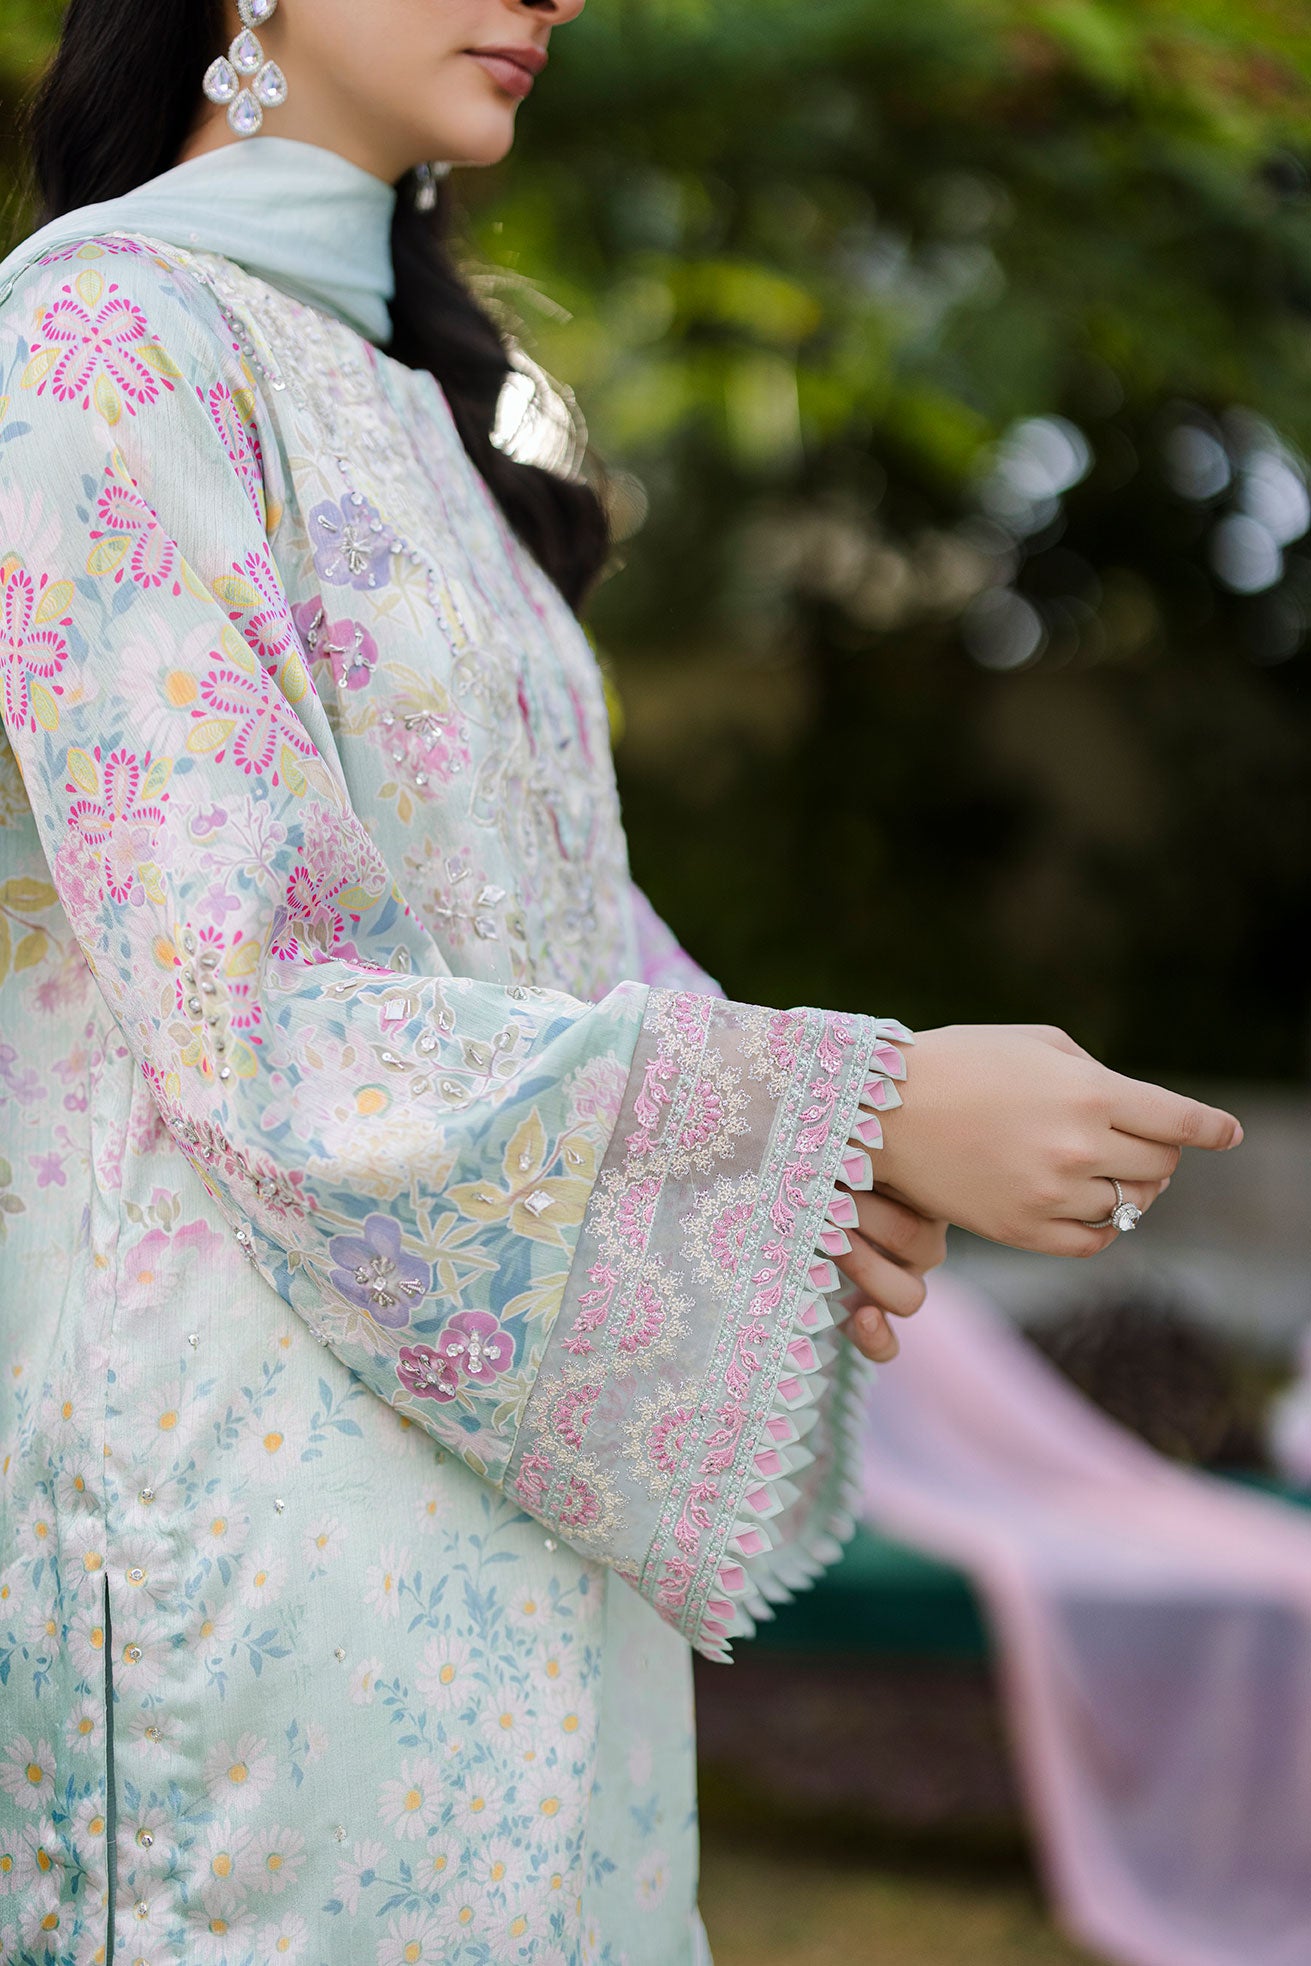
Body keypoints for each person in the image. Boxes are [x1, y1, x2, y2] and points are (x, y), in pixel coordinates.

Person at [0, 2, 1242, 1961]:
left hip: (509, 1480)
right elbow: (249, 996)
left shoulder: (408, 396)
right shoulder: (102, 341)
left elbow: (565, 923)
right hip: (252, 1494)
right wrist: (857, 1102)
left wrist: (836, 1144)